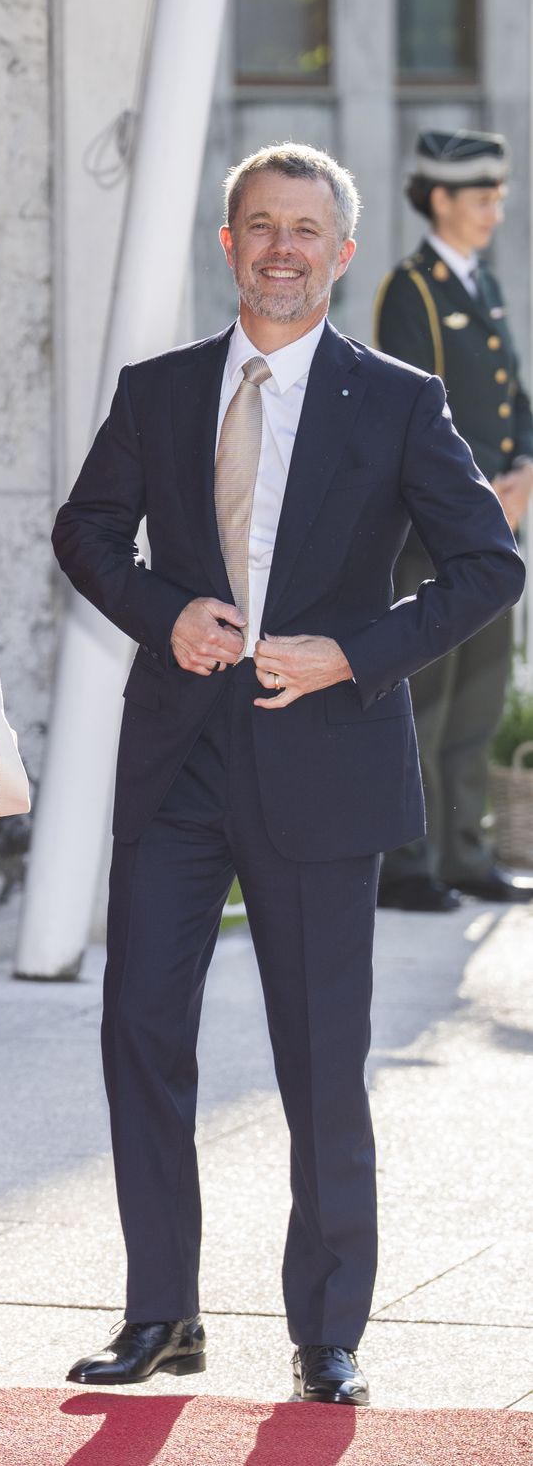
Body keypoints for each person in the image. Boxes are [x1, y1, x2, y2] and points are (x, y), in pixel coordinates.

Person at [53, 144, 523, 1406]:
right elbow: (83, 529)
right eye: (258, 225)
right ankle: (162, 1312)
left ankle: (325, 1330)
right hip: (177, 762)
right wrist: (162, 613)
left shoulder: (399, 399)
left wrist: (351, 655)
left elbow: (488, 566)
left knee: (318, 1056)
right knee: (139, 1029)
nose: (280, 248)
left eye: (304, 229)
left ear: (340, 252)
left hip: (322, 763)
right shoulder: (159, 389)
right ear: (227, 243)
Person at [374, 130, 533, 911]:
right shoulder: (412, 290)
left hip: (494, 530)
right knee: (426, 701)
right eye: (482, 199)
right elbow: (410, 413)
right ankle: (410, 866)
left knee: (476, 699)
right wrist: (477, 494)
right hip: (436, 533)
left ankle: (467, 854)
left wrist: (525, 469)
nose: (495, 212)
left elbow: (513, 397)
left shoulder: (482, 283)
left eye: (498, 198)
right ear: (439, 199)